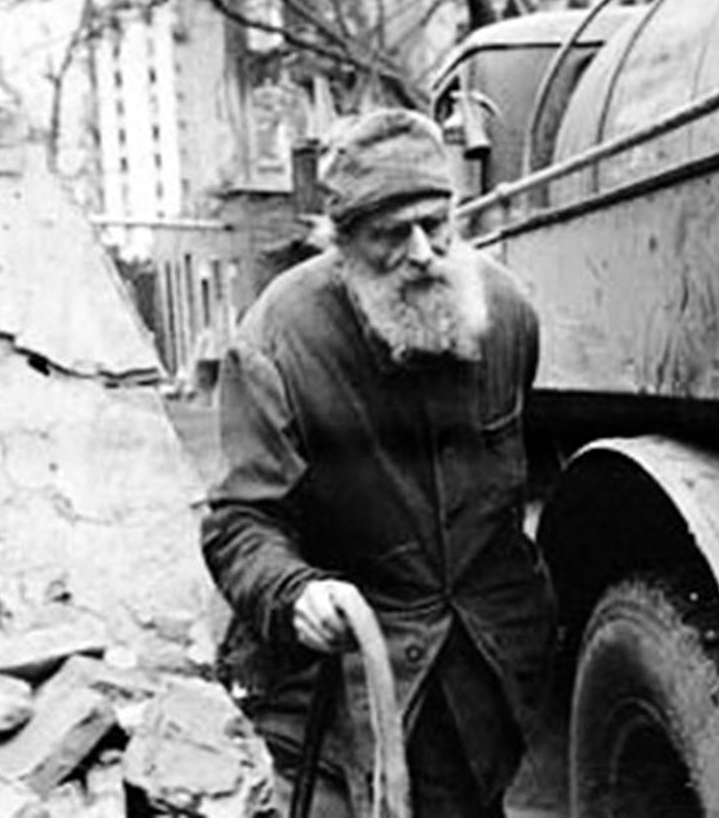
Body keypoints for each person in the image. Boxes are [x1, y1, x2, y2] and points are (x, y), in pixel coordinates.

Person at [201, 108, 557, 817]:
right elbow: (238, 523)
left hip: (487, 669)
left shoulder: (507, 313)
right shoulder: (276, 342)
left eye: (436, 225)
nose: (422, 252)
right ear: (342, 244)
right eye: (392, 234)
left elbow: (529, 479)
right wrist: (295, 593)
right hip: (347, 683)